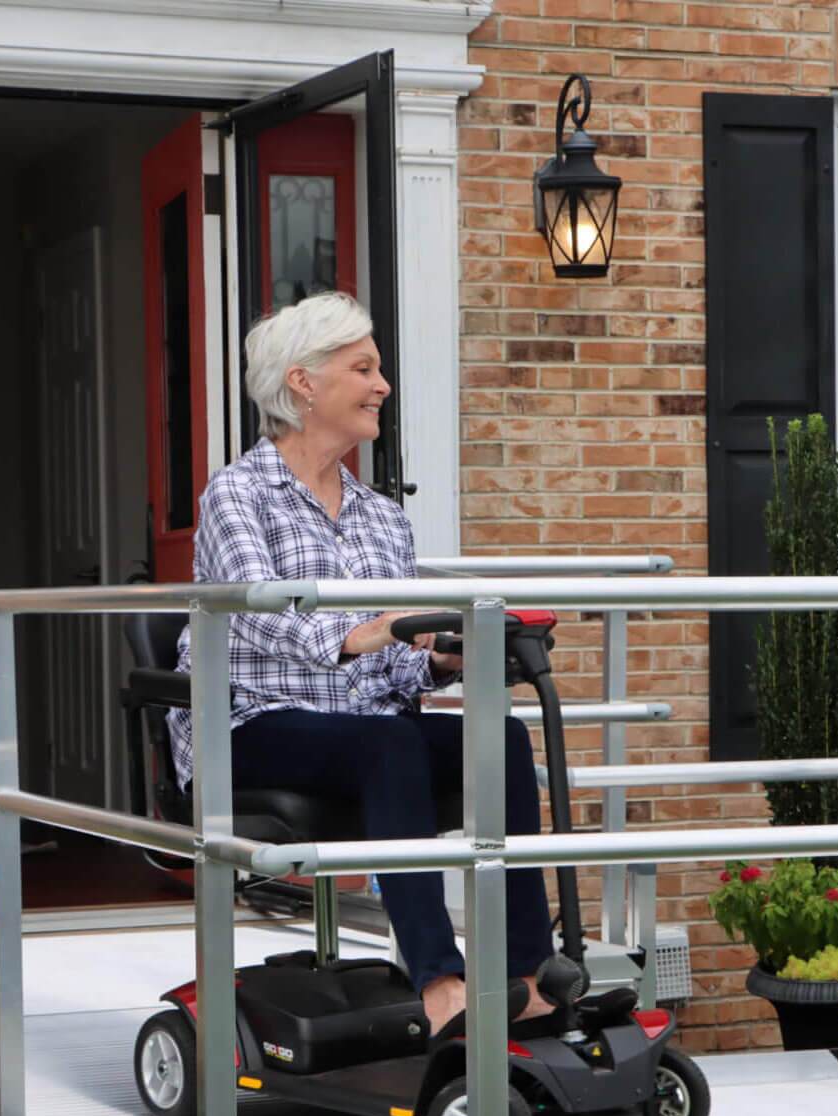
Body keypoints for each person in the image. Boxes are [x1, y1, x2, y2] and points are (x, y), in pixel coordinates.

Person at [167, 292, 556, 1038]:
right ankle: (440, 981)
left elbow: (397, 669)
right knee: (390, 743)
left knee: (497, 738)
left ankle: (524, 974)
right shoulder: (237, 497)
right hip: (252, 722)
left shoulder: (382, 517)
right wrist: (372, 631)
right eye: (364, 368)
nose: (382, 386)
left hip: (369, 732)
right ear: (304, 382)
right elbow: (264, 613)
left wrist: (443, 656)